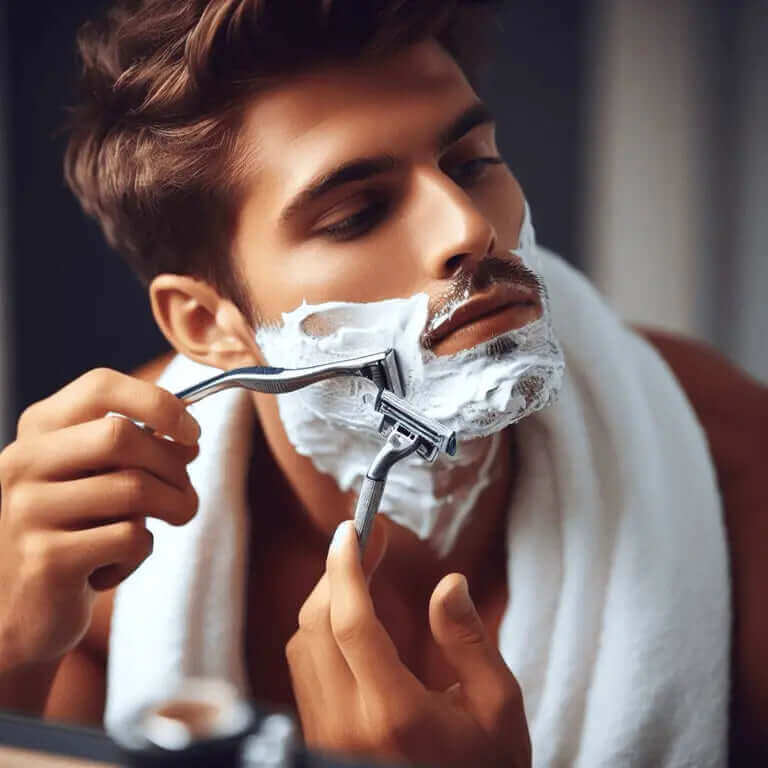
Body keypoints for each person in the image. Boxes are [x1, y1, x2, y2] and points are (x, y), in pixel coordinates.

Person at [0, 2, 765, 766]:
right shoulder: (105, 555)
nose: (467, 228)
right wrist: (12, 650)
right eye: (358, 213)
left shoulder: (727, 471)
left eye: (470, 165)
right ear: (208, 324)